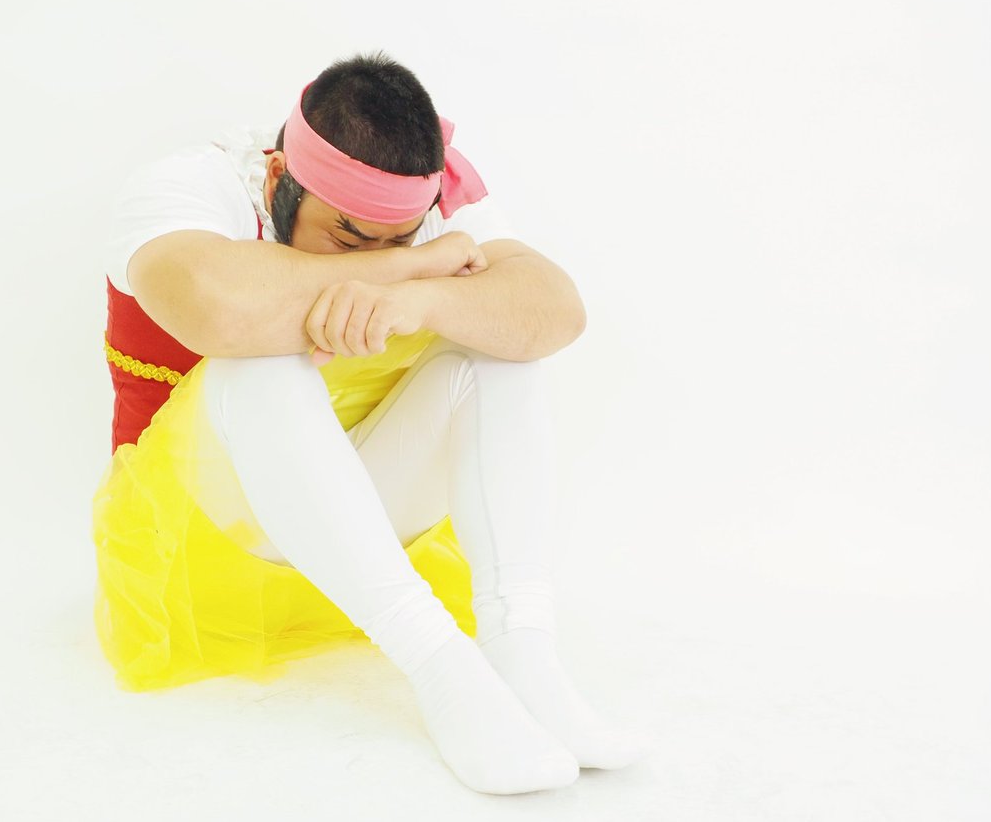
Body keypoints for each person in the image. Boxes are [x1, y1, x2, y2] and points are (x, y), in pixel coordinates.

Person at [95, 52, 648, 794]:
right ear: (277, 179)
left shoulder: (433, 193)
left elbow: (555, 312)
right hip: (204, 535)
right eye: (350, 240)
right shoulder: (189, 184)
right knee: (256, 361)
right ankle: (445, 671)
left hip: (357, 518)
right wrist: (418, 264)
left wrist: (426, 299)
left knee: (499, 353)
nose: (379, 256)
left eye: (399, 241)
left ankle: (522, 650)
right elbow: (217, 309)